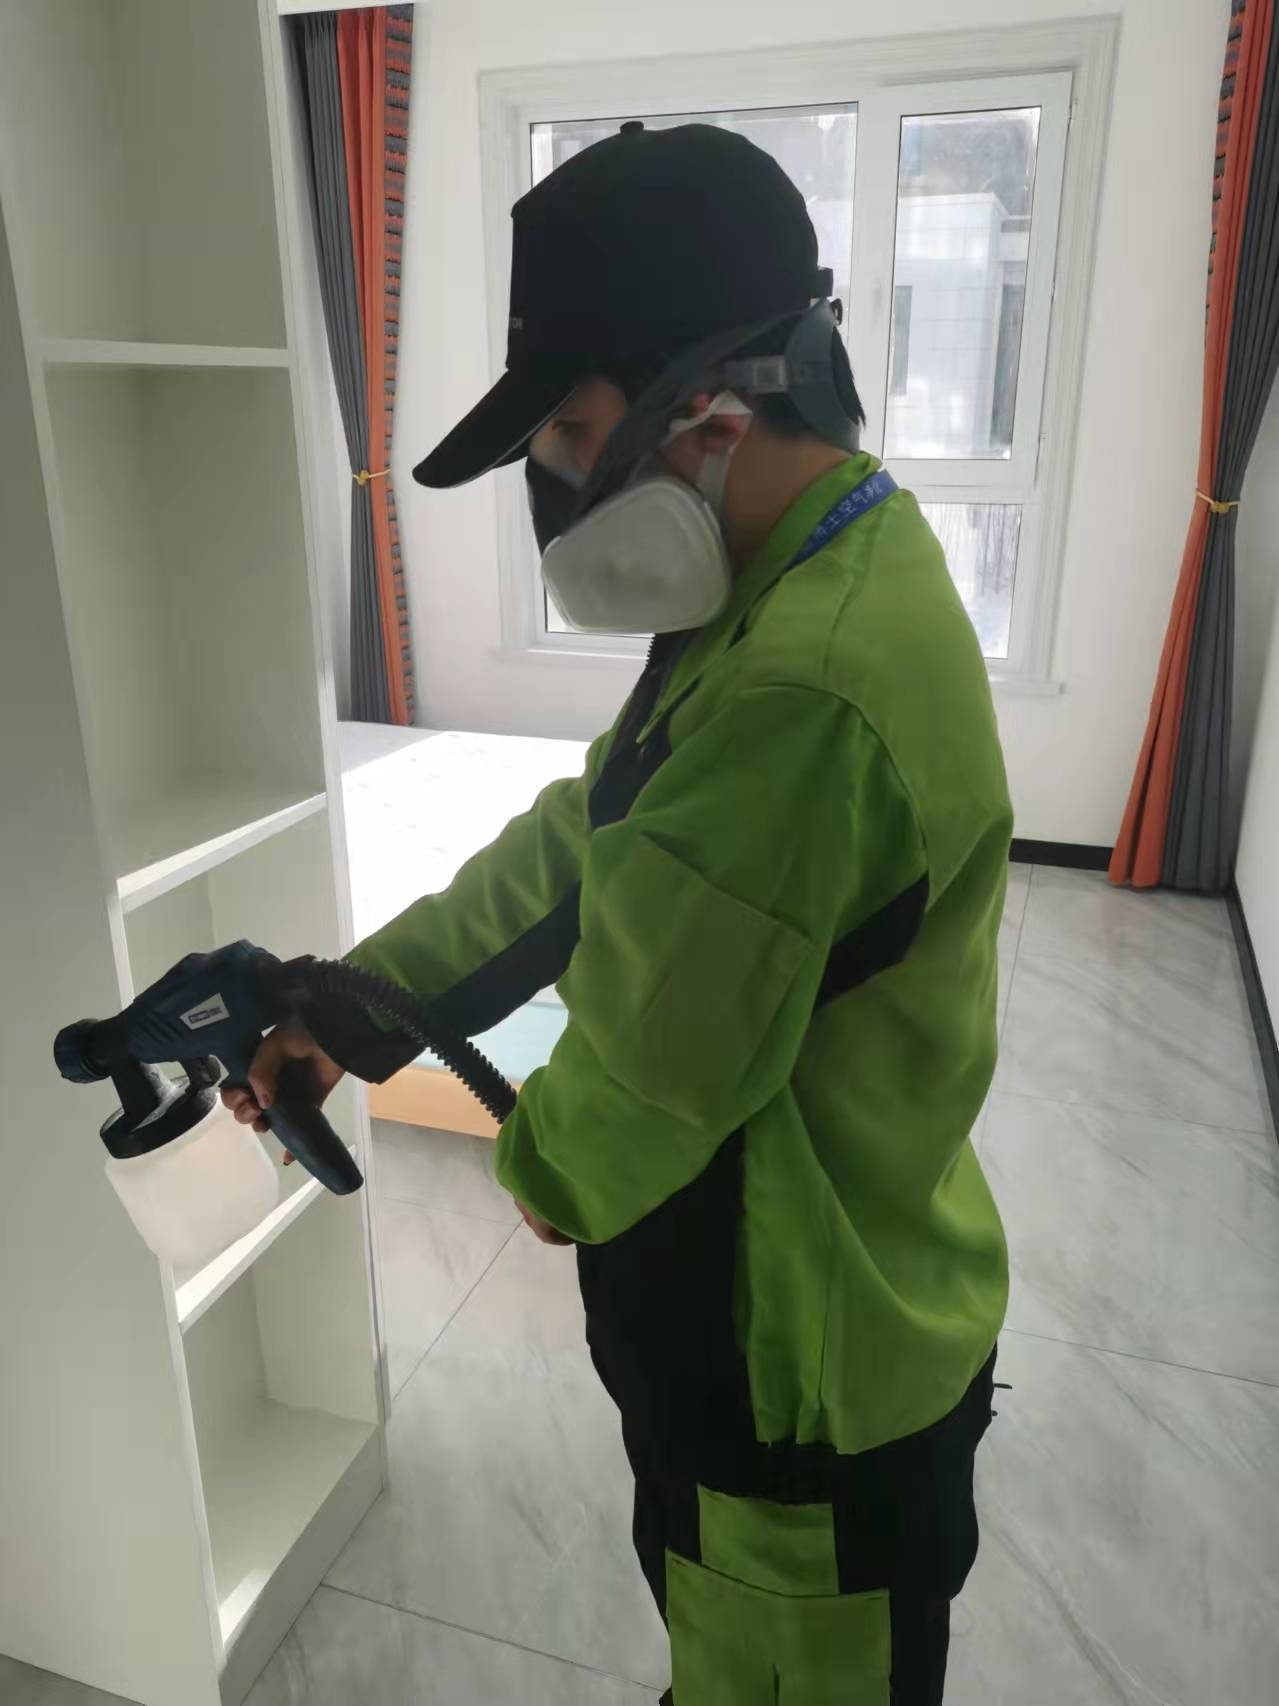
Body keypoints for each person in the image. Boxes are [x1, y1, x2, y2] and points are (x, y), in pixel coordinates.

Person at [226, 122, 1010, 1705]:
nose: (559, 484)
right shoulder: (807, 568)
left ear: (712, 411)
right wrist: (344, 1003)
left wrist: (543, 1164)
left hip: (796, 1388)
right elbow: (589, 843)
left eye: (574, 431)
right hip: (802, 1326)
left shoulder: (802, 691)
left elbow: (639, 1095)